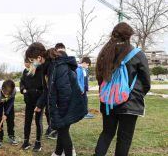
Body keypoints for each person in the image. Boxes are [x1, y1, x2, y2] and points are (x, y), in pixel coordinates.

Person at [94, 22, 151, 156]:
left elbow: (99, 77)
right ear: (129, 36)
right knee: (124, 138)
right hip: (130, 103)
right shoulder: (137, 54)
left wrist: (108, 92)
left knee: (107, 133)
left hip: (108, 101)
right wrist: (138, 94)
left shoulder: (104, 53)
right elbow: (146, 81)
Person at [27, 43, 86, 156]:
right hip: (62, 105)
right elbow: (47, 90)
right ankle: (58, 153)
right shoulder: (46, 69)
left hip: (68, 104)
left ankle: (68, 153)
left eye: (32, 60)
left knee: (63, 132)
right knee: (61, 130)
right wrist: (39, 104)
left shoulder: (58, 66)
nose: (31, 63)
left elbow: (65, 92)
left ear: (39, 58)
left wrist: (60, 114)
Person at [20, 58, 43, 152]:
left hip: (38, 101)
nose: (25, 64)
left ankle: (38, 143)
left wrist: (35, 92)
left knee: (38, 121)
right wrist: (23, 90)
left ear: (31, 62)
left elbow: (42, 87)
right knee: (27, 121)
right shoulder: (25, 72)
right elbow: (22, 83)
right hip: (28, 100)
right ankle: (26, 142)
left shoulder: (39, 71)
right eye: (24, 62)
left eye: (27, 62)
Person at [0, 79, 18, 149]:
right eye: (5, 93)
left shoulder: (13, 91)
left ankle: (11, 135)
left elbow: (11, 102)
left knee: (10, 117)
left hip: (9, 101)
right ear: (2, 89)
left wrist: (6, 114)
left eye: (8, 94)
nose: (6, 96)